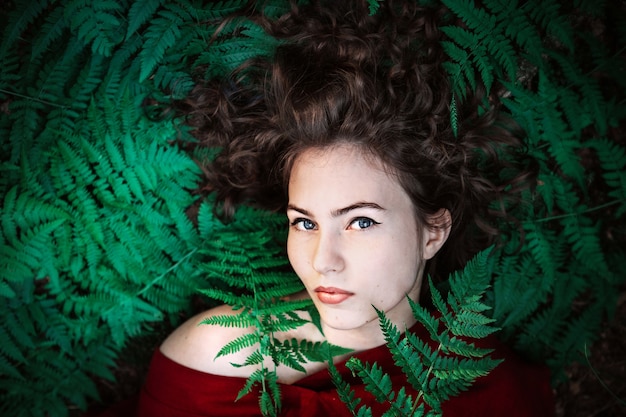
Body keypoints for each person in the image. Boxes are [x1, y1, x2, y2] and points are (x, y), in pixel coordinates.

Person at [136, 1, 554, 415]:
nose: (324, 260)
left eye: (361, 221)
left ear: (433, 231)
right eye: (304, 222)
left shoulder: (486, 384)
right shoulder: (213, 363)